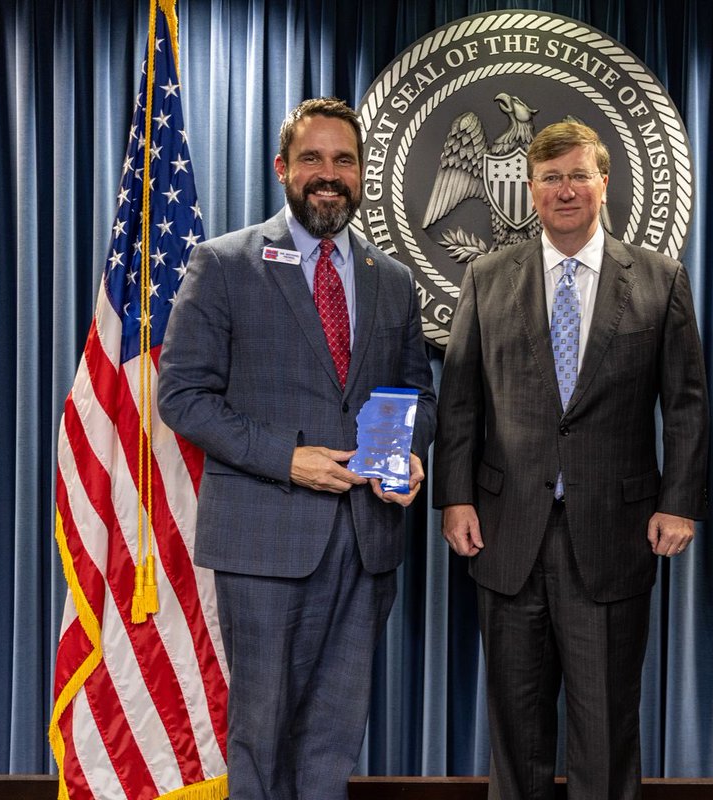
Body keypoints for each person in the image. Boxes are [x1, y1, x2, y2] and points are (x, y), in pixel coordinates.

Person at [158, 97, 436, 800]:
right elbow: (182, 397)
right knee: (261, 731)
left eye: (343, 160)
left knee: (334, 737)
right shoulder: (222, 264)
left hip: (368, 540)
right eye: (312, 158)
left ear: (362, 174)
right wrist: (288, 459)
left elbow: (415, 395)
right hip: (263, 539)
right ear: (283, 168)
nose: (328, 174)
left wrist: (407, 456)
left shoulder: (392, 280)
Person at [433, 121, 709, 800]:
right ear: (530, 188)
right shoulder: (487, 277)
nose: (565, 190)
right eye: (551, 177)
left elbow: (687, 405)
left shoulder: (658, 279)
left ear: (604, 184)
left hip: (615, 536)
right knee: (515, 728)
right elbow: (461, 400)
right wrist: (456, 497)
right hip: (504, 532)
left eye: (579, 175)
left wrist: (679, 502)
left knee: (606, 725)